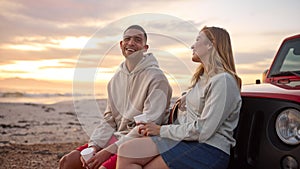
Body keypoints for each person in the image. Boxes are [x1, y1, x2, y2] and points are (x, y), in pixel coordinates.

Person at [116, 26, 242, 169]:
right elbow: (192, 112)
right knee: (127, 151)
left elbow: (203, 130)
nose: (192, 45)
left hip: (209, 149)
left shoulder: (223, 81)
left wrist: (160, 130)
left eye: (197, 40)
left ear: (210, 45)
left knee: (134, 156)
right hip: (189, 142)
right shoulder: (202, 80)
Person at [59, 25, 172, 169]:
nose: (131, 43)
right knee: (68, 162)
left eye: (137, 40)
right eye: (127, 39)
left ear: (145, 47)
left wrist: (107, 152)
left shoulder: (157, 78)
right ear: (121, 45)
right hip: (117, 137)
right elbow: (109, 120)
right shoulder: (115, 80)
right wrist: (94, 146)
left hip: (139, 142)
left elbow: (147, 126)